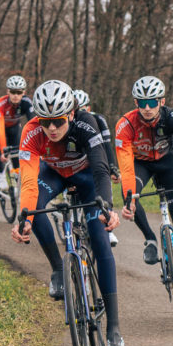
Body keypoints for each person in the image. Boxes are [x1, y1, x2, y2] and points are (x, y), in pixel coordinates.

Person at [11, 79, 125, 346]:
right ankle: (58, 271)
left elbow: (100, 170)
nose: (51, 128)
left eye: (58, 121)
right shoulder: (31, 131)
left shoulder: (87, 124)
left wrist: (107, 206)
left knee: (99, 237)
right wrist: (23, 220)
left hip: (87, 178)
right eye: (45, 121)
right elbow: (27, 182)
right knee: (34, 210)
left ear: (71, 114)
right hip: (54, 176)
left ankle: (114, 327)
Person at [115, 75, 173, 307]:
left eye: (153, 102)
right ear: (136, 103)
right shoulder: (125, 124)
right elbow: (125, 165)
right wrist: (129, 198)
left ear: (162, 101)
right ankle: (149, 239)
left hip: (169, 164)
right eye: (142, 103)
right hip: (141, 165)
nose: (148, 108)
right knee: (129, 194)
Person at [74, 89, 120, 247]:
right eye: (77, 109)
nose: (80, 113)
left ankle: (109, 227)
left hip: (94, 156)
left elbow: (107, 145)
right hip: (74, 159)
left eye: (83, 109)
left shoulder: (99, 119)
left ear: (89, 108)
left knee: (104, 175)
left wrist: (112, 167)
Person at [0, 75, 35, 191]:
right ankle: (1, 173)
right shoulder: (0, 104)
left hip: (13, 127)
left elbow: (33, 124)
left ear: (24, 92)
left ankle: (15, 181)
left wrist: (36, 146)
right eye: (13, 92)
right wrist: (3, 151)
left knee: (18, 153)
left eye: (19, 92)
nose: (16, 95)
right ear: (8, 92)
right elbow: (0, 129)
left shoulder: (27, 103)